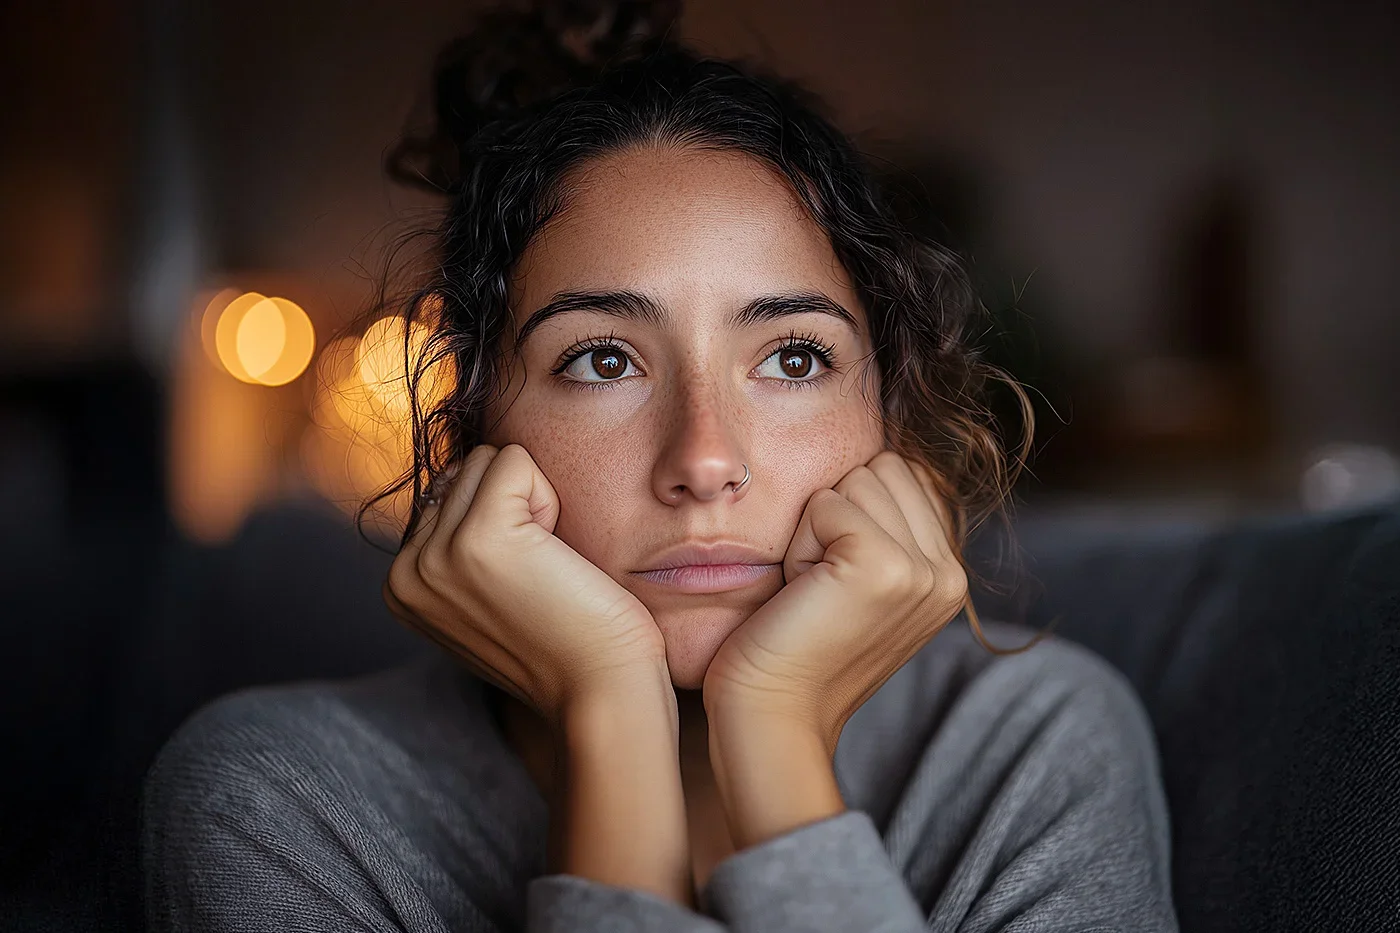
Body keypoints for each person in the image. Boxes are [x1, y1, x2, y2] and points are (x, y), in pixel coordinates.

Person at [141, 2, 1179, 930]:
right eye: (602, 361)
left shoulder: (1031, 739)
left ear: (888, 413)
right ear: (472, 423)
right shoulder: (282, 799)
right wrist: (609, 714)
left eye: (790, 358)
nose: (704, 460)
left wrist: (772, 735)